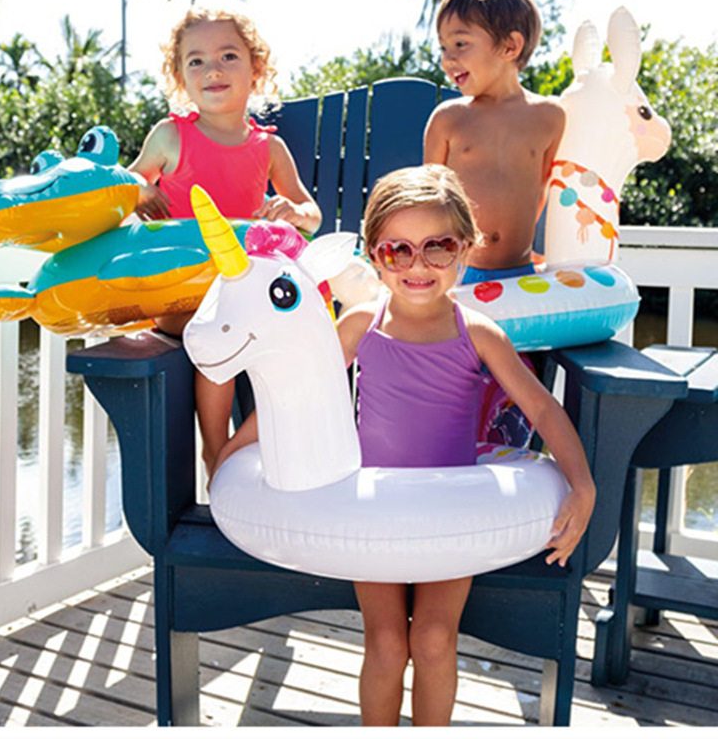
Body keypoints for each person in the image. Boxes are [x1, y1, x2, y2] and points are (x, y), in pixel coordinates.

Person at [217, 164, 596, 726]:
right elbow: (296, 394)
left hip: (451, 513)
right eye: (398, 251)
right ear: (374, 255)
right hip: (371, 513)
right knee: (388, 642)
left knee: (436, 640)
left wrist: (582, 485)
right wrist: (233, 453)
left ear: (465, 247)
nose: (418, 266)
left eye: (438, 248)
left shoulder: (478, 333)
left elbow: (541, 407)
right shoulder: (359, 324)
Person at [128, 8, 321, 474]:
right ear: (180, 77)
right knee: (223, 326)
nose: (212, 69)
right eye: (196, 61)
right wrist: (138, 190)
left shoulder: (268, 147)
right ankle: (216, 452)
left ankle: (277, 448)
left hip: (243, 289)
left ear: (256, 69)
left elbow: (312, 214)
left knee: (293, 335)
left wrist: (294, 212)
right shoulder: (171, 137)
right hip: (182, 295)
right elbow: (124, 181)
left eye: (228, 56)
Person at [424, 0, 566, 447]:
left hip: (519, 277)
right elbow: (427, 201)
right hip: (458, 279)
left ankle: (506, 464)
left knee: (515, 388)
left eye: (460, 44)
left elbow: (543, 189)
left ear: (510, 46)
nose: (447, 59)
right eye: (444, 47)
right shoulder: (450, 119)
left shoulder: (550, 117)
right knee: (455, 383)